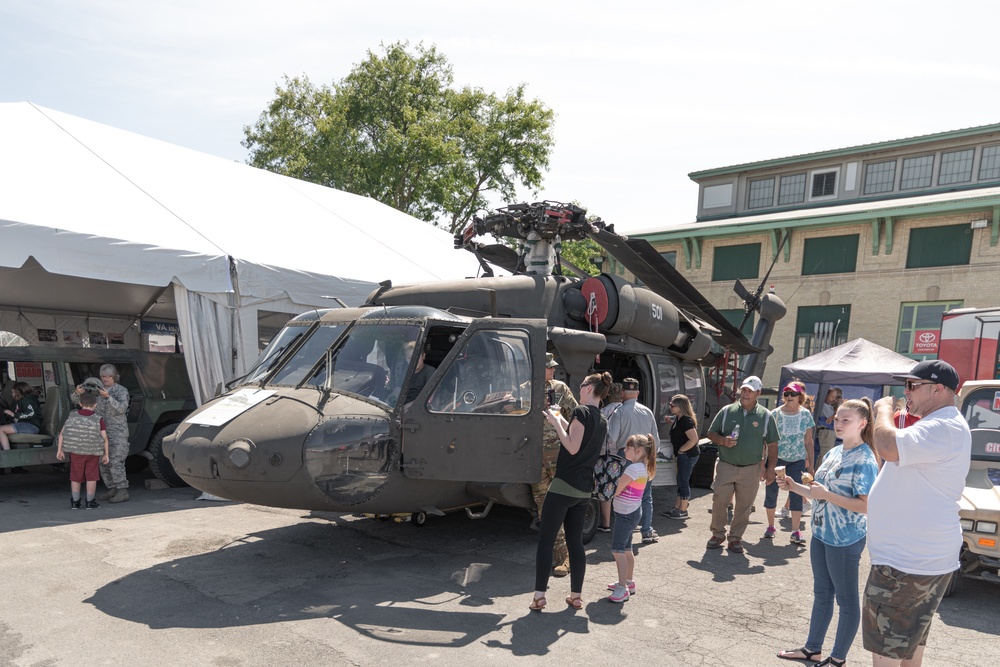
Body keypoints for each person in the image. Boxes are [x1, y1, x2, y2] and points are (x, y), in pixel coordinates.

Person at [864, 360, 971, 667]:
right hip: (916, 560)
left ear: (938, 390)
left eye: (912, 386)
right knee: (910, 645)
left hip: (906, 564)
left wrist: (882, 410)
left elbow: (887, 447)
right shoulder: (938, 425)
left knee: (888, 654)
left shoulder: (943, 426)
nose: (905, 392)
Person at [776, 397, 879, 667]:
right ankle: (812, 649)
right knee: (822, 593)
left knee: (847, 601)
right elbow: (817, 493)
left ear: (863, 423)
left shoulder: (866, 459)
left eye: (846, 420)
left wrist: (828, 495)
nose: (839, 424)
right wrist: (792, 486)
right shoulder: (835, 452)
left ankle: (838, 658)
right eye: (837, 419)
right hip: (822, 534)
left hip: (845, 539)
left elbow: (866, 506)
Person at [530, 371, 611, 611]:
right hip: (584, 489)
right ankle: (576, 596)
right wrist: (559, 418)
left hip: (563, 484)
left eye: (582, 384)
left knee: (545, 542)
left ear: (588, 389)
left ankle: (539, 596)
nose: (579, 387)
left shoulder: (580, 412)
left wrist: (555, 422)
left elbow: (572, 446)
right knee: (576, 543)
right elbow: (579, 437)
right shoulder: (601, 419)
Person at [705, 375, 779, 554]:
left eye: (750, 391)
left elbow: (773, 445)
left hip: (751, 469)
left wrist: (770, 469)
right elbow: (710, 433)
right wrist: (722, 440)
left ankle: (735, 538)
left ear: (758, 393)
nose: (745, 394)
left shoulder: (766, 416)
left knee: (744, 506)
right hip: (726, 465)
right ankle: (718, 534)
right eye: (744, 390)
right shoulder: (727, 411)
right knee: (720, 500)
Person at [529, 352, 579, 577]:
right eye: (548, 367)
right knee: (544, 509)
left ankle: (566, 558)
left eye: (553, 367)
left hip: (559, 458)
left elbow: (576, 417)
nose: (552, 371)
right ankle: (556, 555)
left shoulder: (560, 389)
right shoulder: (523, 389)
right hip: (533, 460)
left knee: (562, 507)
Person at [607, 377, 659, 543]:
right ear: (638, 393)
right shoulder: (648, 411)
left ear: (622, 393)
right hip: (645, 458)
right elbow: (655, 441)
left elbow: (612, 438)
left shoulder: (620, 411)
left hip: (626, 456)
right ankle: (646, 531)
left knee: (623, 492)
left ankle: (626, 527)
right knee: (645, 496)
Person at [607, 432, 656, 603]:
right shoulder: (641, 467)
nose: (625, 449)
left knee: (617, 550)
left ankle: (622, 588)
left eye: (628, 447)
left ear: (639, 451)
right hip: (632, 512)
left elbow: (617, 490)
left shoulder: (632, 468)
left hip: (625, 514)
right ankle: (628, 581)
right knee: (627, 550)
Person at [764, 381, 815, 545]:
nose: (789, 397)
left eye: (793, 394)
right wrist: (763, 465)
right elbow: (766, 441)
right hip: (777, 459)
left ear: (800, 396)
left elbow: (808, 442)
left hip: (797, 460)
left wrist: (811, 464)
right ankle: (771, 526)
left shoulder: (806, 415)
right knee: (771, 490)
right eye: (786, 393)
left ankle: (795, 531)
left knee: (797, 495)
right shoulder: (775, 414)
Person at [75, 365, 130, 503]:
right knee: (103, 462)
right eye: (102, 376)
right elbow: (82, 403)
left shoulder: (121, 391)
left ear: (114, 377)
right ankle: (113, 488)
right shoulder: (96, 391)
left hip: (117, 433)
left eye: (107, 376)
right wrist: (78, 393)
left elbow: (122, 409)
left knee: (116, 461)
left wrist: (109, 397)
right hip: (101, 433)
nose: (104, 379)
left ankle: (122, 490)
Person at [56, 391, 110, 509]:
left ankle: (75, 502)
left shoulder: (72, 416)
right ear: (95, 405)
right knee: (91, 476)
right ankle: (90, 502)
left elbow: (62, 434)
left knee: (75, 476)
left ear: (80, 404)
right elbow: (105, 438)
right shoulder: (98, 419)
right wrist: (106, 454)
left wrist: (60, 450)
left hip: (76, 452)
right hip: (93, 453)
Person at [663, 394, 699, 520]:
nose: (670, 407)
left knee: (683, 480)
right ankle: (677, 507)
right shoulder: (679, 419)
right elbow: (680, 430)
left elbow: (693, 439)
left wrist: (682, 450)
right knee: (681, 480)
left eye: (673, 405)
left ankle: (683, 510)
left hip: (688, 455)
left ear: (680, 407)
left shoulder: (686, 420)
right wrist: (671, 422)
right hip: (683, 454)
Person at [597, 382, 624, 531]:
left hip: (607, 456)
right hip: (628, 454)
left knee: (606, 490)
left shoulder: (603, 411)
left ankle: (606, 523)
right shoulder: (627, 410)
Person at [1, 381, 42, 473]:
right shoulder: (20, 401)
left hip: (31, 426)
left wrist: (15, 415)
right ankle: (12, 463)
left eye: (13, 392)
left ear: (18, 392)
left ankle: (8, 457)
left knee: (0, 430)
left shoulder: (27, 400)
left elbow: (31, 413)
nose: (12, 394)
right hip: (24, 424)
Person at [817, 386, 843, 464]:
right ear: (826, 395)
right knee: (824, 455)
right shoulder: (823, 406)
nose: (834, 399)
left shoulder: (830, 406)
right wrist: (834, 414)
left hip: (830, 433)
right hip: (826, 432)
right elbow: (837, 416)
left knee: (827, 455)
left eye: (835, 397)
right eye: (832, 397)